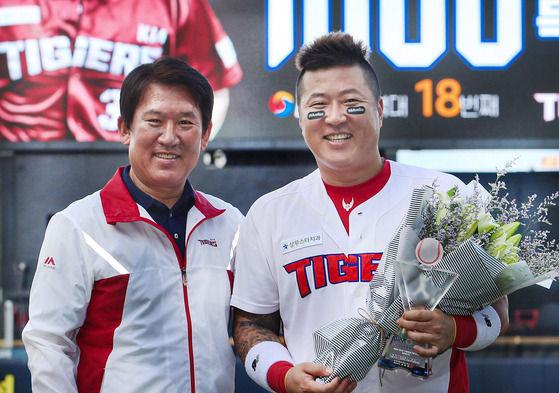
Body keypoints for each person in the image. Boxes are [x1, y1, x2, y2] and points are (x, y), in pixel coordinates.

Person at [230, 31, 509, 393]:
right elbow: (251, 325)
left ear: (379, 110)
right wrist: (284, 376)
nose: (335, 118)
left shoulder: (447, 195)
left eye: (352, 103)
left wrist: (456, 330)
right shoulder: (269, 213)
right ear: (300, 118)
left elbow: (497, 313)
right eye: (318, 106)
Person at [22, 57, 244, 392]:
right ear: (125, 128)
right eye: (154, 121)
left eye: (185, 122)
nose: (169, 138)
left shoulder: (231, 225)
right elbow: (49, 345)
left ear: (206, 133)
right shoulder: (78, 226)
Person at [0, 0, 242, 142]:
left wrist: (182, 157)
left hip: (130, 168)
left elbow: (212, 89)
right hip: (15, 174)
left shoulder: (173, 4)